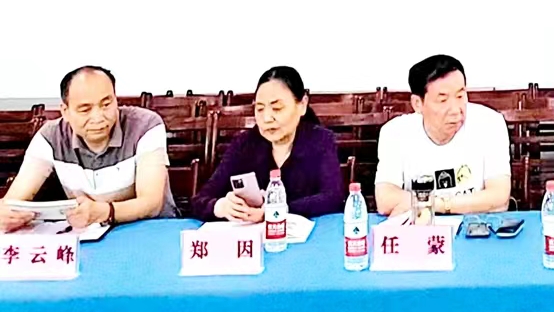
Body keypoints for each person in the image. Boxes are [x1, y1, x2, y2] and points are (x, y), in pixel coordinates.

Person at [0, 66, 175, 233]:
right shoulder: (50, 137)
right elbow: (13, 200)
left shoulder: (146, 125)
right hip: (88, 235)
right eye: (85, 110)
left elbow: (151, 203)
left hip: (150, 230)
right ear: (65, 111)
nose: (98, 118)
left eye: (106, 104)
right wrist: (6, 215)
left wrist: (105, 212)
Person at [192, 66, 343, 221]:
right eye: (260, 109)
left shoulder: (321, 140)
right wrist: (220, 207)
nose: (266, 118)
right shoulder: (244, 144)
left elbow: (333, 198)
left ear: (302, 105)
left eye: (277, 108)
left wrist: (276, 210)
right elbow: (200, 200)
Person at [375, 55, 511, 216]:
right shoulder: (395, 133)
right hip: (422, 227)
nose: (455, 110)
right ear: (417, 104)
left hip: (477, 225)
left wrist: (433, 204)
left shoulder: (489, 123)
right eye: (443, 100)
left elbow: (499, 197)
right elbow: (385, 200)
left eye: (460, 96)